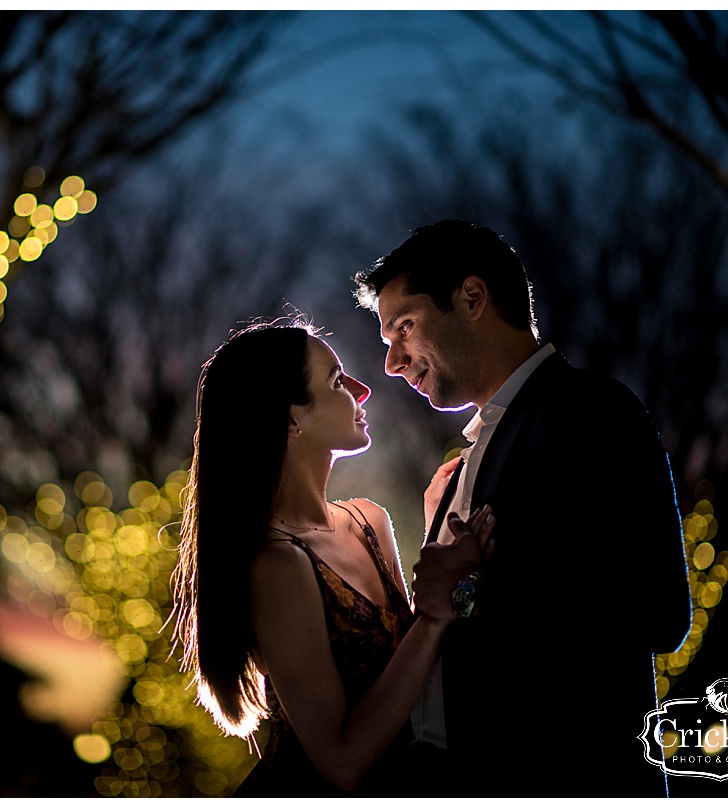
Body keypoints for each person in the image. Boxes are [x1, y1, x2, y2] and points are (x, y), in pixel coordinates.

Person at [352, 220, 693, 797]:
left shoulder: (592, 412)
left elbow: (658, 612)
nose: (391, 362)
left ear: (473, 299)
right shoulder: (462, 466)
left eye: (404, 328)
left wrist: (466, 594)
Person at [171, 320, 495, 796]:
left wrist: (439, 535)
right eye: (337, 380)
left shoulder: (369, 521)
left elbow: (409, 679)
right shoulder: (278, 565)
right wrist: (435, 614)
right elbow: (341, 762)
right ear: (289, 417)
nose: (363, 390)